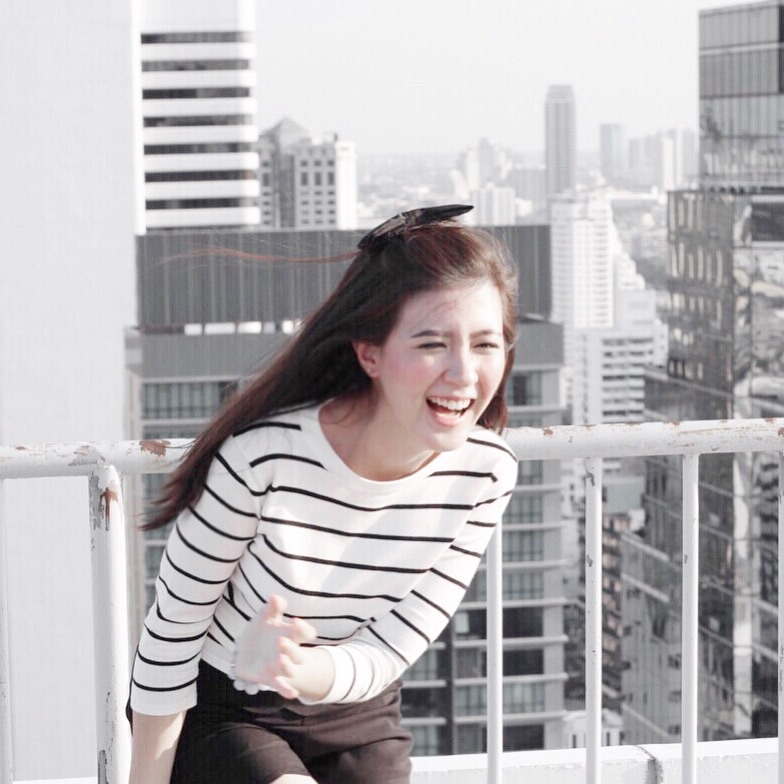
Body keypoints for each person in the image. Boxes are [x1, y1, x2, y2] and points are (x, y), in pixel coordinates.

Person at [128, 204, 519, 784]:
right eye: (432, 344)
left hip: (357, 710)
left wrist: (297, 668)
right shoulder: (263, 458)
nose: (463, 374)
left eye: (485, 345)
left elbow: (394, 645)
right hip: (227, 710)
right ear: (370, 353)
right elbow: (173, 629)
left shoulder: (487, 473)